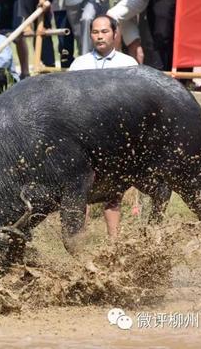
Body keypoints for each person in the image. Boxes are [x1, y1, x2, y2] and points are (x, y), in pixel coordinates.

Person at [68, 15, 137, 239]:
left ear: (115, 34)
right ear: (90, 35)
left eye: (105, 31)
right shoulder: (79, 64)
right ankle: (78, 245)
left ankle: (114, 245)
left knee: (113, 193)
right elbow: (67, 101)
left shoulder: (128, 65)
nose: (99, 36)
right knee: (80, 190)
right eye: (95, 32)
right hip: (84, 138)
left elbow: (136, 105)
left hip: (115, 138)